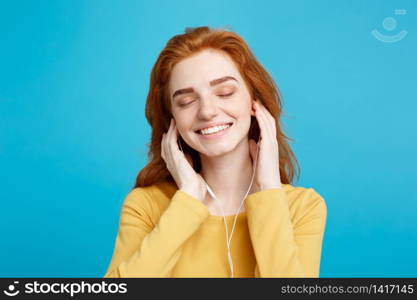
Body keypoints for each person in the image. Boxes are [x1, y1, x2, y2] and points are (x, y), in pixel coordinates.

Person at [104, 26, 327, 278]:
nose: (207, 111)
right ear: (171, 119)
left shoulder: (302, 208)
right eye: (186, 101)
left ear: (255, 102)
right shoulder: (146, 206)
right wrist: (188, 200)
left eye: (225, 92)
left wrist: (268, 191)